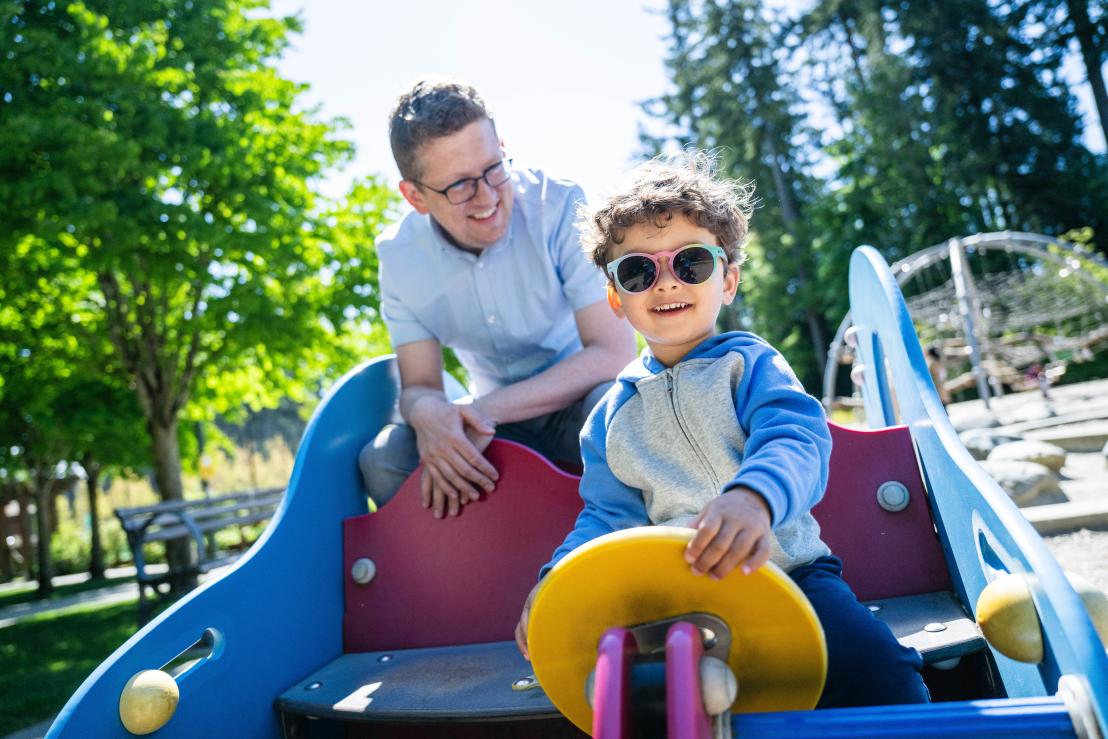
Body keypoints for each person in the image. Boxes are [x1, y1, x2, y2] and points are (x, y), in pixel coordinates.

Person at [514, 152, 929, 708]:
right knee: (630, 698)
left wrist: (754, 498)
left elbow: (795, 438)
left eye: (691, 264)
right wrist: (558, 579)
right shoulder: (611, 416)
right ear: (615, 296)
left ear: (728, 279)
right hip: (672, 605)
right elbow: (607, 516)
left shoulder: (751, 365)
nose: (665, 284)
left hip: (789, 575)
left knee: (878, 667)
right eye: (638, 270)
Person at [359, 80, 636, 518]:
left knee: (619, 411)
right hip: (488, 430)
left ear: (502, 145)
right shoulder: (398, 257)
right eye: (459, 186)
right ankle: (462, 575)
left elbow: (613, 353)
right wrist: (429, 415)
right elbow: (420, 387)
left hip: (575, 402)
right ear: (415, 197)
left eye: (493, 168)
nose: (487, 197)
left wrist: (481, 410)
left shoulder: (561, 205)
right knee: (384, 458)